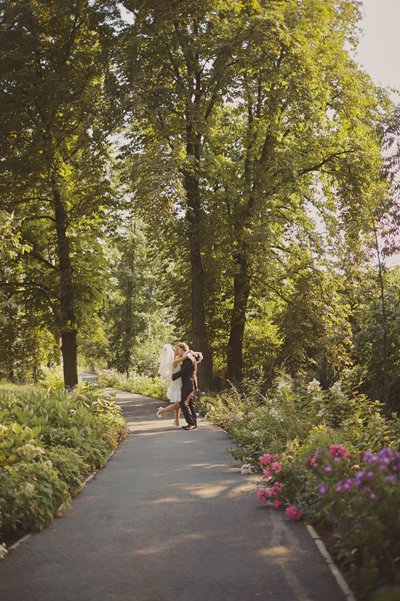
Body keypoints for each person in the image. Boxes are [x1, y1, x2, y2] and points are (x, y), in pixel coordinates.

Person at [172, 342, 202, 431]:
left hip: (189, 383)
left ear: (182, 349)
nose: (177, 351)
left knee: (183, 402)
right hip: (190, 383)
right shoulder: (188, 357)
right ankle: (194, 423)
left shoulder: (189, 358)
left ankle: (191, 423)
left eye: (178, 349)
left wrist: (172, 377)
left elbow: (183, 371)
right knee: (190, 403)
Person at [156, 344, 185, 427]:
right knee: (178, 404)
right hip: (177, 383)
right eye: (175, 349)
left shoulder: (175, 358)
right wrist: (188, 355)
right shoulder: (176, 359)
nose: (176, 350)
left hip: (176, 382)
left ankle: (177, 421)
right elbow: (183, 361)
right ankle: (162, 410)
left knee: (177, 403)